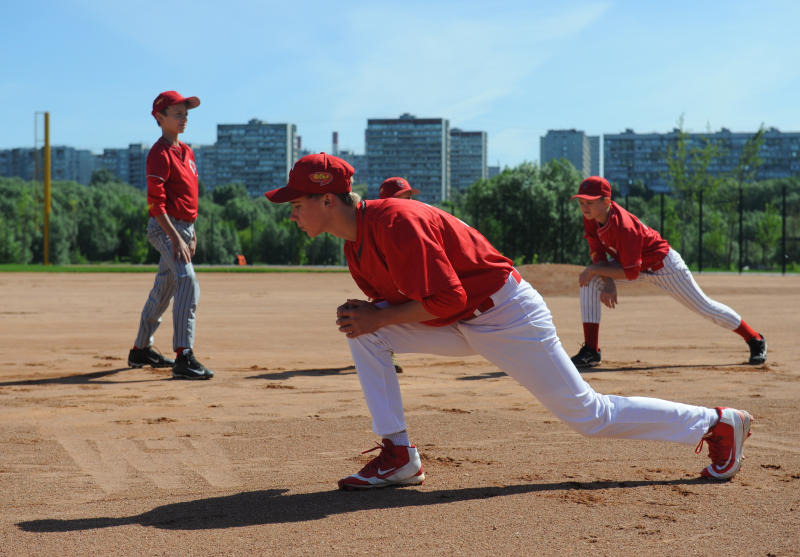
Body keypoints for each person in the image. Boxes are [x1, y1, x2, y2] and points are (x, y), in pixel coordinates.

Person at [265, 153, 753, 490]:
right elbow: (425, 304)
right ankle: (398, 457)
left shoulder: (398, 221)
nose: (292, 213)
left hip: (507, 315)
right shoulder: (355, 245)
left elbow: (446, 296)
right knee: (364, 332)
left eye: (296, 203)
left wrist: (379, 316)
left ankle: (716, 423)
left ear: (327, 200)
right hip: (458, 318)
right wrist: (372, 317)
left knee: (589, 415)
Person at [569, 176, 767, 369]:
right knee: (591, 281)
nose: (585, 207)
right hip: (632, 265)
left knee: (705, 308)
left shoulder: (625, 226)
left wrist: (599, 270)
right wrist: (607, 280)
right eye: (582, 202)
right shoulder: (592, 218)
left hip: (665, 266)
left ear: (606, 201)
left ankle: (755, 339)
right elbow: (598, 253)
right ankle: (591, 351)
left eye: (590, 202)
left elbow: (630, 273)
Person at [127, 90, 214, 380]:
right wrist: (176, 237)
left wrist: (191, 231)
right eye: (177, 113)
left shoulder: (187, 152)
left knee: (164, 287)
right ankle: (184, 356)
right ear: (159, 117)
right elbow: (156, 203)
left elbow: (188, 197)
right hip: (164, 227)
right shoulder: (159, 154)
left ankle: (141, 348)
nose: (184, 118)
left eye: (185, 113)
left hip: (183, 228)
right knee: (187, 281)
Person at [378, 176, 421, 373]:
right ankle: (386, 350)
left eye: (408, 196)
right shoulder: (380, 227)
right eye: (401, 197)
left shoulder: (417, 220)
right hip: (389, 280)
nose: (407, 202)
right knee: (379, 305)